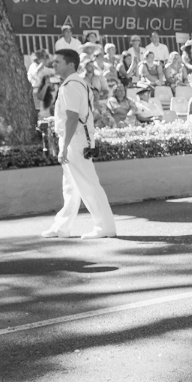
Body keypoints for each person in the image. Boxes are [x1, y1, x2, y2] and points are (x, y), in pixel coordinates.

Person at [40, 49, 118, 240]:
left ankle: (105, 227)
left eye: (58, 62)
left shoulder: (71, 85)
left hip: (75, 140)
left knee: (88, 184)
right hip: (74, 138)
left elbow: (72, 118)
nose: (54, 65)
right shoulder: (72, 83)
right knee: (71, 187)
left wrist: (64, 146)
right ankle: (62, 227)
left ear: (71, 65)